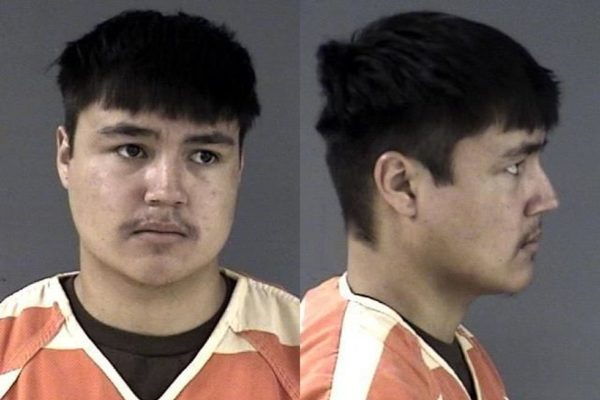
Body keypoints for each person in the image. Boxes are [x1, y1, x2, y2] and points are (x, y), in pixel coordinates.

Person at [0, 10, 298, 400]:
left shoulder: (320, 359)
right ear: (65, 156)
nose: (165, 190)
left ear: (238, 168)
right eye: (131, 149)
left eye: (204, 156)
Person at [301, 11, 559, 400]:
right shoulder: (357, 384)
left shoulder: (450, 351)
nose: (546, 198)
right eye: (513, 166)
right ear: (402, 185)